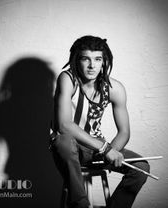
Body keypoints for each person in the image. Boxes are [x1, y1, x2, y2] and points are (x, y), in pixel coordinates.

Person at [49, 35, 150, 208]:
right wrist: (104, 148)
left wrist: (111, 151)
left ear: (104, 61)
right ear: (76, 60)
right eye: (85, 59)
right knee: (64, 140)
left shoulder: (114, 88)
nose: (91, 65)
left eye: (97, 59)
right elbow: (64, 126)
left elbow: (124, 132)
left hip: (96, 148)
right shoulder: (68, 79)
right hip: (69, 147)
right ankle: (79, 203)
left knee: (141, 168)